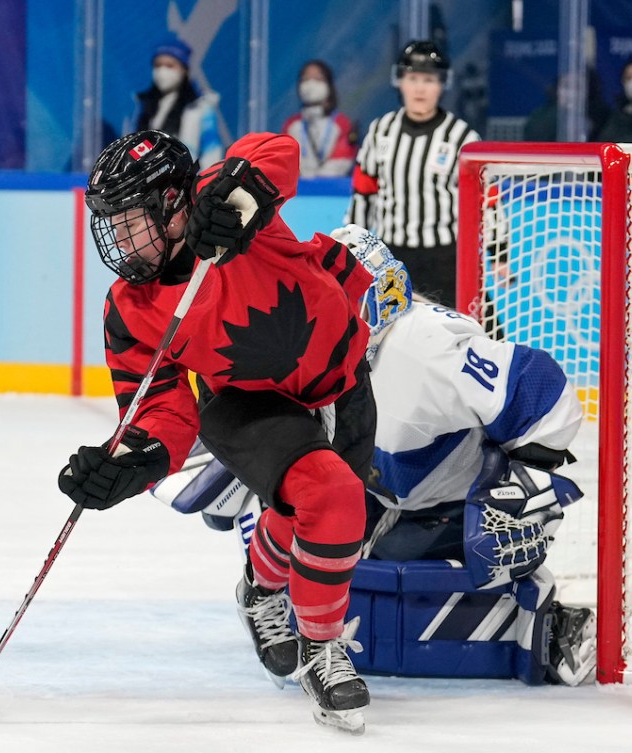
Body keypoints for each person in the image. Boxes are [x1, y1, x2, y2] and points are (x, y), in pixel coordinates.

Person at [57, 129, 387, 734]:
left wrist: (240, 194)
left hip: (344, 382)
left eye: (133, 221)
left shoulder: (222, 196)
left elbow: (277, 152)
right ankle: (321, 648)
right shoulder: (129, 308)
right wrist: (129, 462)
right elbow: (157, 408)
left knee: (312, 517)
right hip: (246, 406)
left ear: (175, 204)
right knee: (331, 495)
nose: (122, 242)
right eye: (114, 226)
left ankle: (260, 591)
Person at [153, 241, 597, 687]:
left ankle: (541, 622)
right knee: (287, 509)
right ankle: (262, 593)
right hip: (371, 484)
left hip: (447, 501)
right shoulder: (298, 346)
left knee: (415, 566)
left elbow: (544, 393)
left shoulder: (425, 350)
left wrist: (521, 492)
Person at [345, 41, 480, 308]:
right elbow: (364, 192)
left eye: (428, 79)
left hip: (445, 261)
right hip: (391, 257)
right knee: (388, 336)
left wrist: (499, 254)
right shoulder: (380, 131)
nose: (420, 88)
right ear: (400, 81)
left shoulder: (462, 137)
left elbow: (485, 202)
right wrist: (352, 243)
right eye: (413, 78)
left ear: (441, 84)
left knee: (463, 333)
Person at [130, 35, 224, 166]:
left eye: (170, 66)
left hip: (187, 181)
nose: (162, 71)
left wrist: (201, 184)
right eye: (158, 65)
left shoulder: (200, 108)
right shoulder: (145, 106)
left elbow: (212, 153)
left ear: (184, 70)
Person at [281, 59, 357, 177]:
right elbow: (285, 158)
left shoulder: (342, 123)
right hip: (298, 189)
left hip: (330, 190)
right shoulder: (291, 124)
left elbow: (343, 158)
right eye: (306, 79)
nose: (311, 83)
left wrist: (318, 182)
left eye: (318, 79)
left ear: (328, 85)